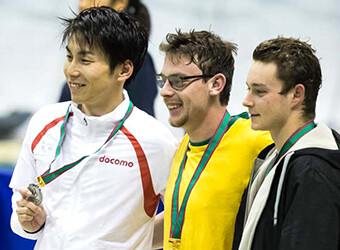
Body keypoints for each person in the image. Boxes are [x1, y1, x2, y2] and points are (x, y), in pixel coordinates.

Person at [9, 7, 177, 249]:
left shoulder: (155, 141)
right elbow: (20, 211)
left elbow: (184, 217)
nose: (71, 70)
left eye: (85, 60)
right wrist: (31, 223)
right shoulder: (44, 122)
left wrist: (136, 240)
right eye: (69, 57)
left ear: (124, 69)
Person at [152, 30, 273, 250]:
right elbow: (180, 223)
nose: (165, 92)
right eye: (164, 81)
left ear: (216, 84)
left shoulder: (256, 139)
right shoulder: (183, 148)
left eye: (178, 81)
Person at [237, 37, 340, 250]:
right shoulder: (274, 157)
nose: (246, 101)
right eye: (248, 89)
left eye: (259, 91)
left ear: (296, 94)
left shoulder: (314, 172)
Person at [60, 0, 158, 117]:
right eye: (69, 57)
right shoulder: (48, 118)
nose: (82, 5)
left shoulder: (141, 65)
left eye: (85, 60)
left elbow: (142, 124)